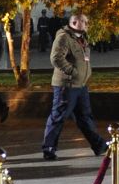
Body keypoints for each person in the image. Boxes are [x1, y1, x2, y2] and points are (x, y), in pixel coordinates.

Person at [41, 12, 106, 161]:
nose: (86, 24)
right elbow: (56, 58)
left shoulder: (82, 38)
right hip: (67, 85)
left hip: (80, 85)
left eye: (86, 21)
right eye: (83, 21)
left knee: (85, 117)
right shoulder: (64, 37)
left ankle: (99, 145)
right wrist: (73, 72)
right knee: (59, 116)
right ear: (75, 22)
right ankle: (49, 148)